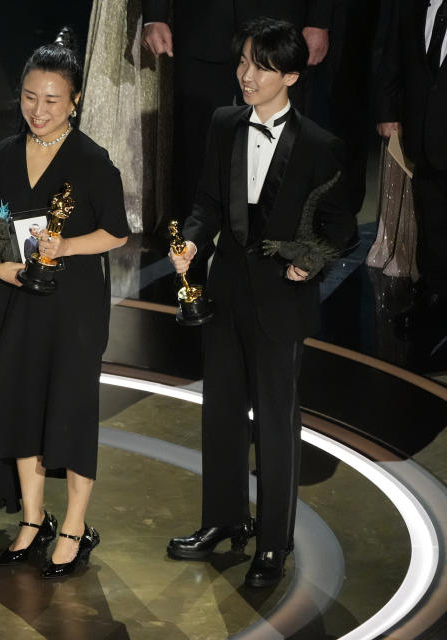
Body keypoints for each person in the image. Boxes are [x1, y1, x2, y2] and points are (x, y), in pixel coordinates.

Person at [165, 17, 354, 587]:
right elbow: (206, 202)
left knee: (275, 423)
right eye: (243, 62)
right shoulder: (223, 124)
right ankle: (223, 520)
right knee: (220, 413)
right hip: (224, 291)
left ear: (291, 76)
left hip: (281, 300)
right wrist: (194, 239)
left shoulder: (322, 147)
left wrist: (311, 259)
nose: (245, 75)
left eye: (260, 67)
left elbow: (338, 226)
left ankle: (273, 543)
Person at [0, 40, 130, 579]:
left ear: (73, 101)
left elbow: (117, 233)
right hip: (13, 299)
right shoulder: (4, 154)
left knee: (70, 412)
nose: (38, 109)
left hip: (72, 306)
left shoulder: (92, 160)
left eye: (52, 100)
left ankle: (74, 524)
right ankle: (33, 518)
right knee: (21, 405)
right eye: (30, 97)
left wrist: (68, 247)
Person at [141, 0, 332, 231]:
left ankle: (277, 250)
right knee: (193, 154)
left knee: (282, 150)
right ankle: (188, 257)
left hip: (281, 25)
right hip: (201, 23)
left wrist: (318, 20)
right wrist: (155, 15)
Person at [376, 0, 447, 335]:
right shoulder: (409, 6)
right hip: (423, 139)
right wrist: (388, 112)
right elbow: (394, 59)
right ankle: (434, 296)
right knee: (431, 221)